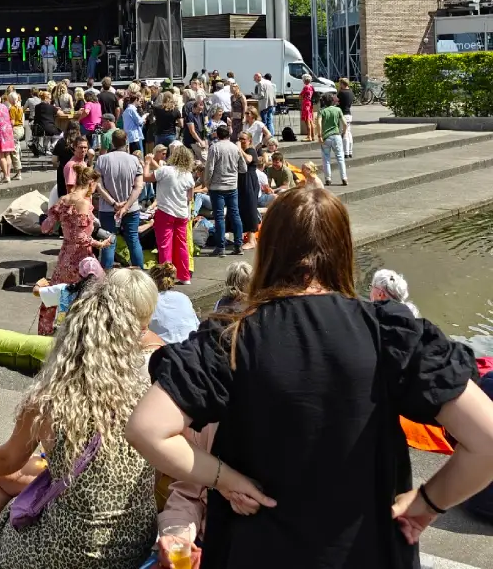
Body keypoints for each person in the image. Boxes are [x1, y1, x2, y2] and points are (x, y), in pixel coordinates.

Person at [126, 186, 493, 569]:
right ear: (343, 250)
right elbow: (487, 440)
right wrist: (428, 502)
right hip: (368, 553)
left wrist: (225, 479)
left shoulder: (231, 339)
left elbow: (146, 429)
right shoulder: (388, 333)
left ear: (269, 252)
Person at [0, 269, 160, 569]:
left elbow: (7, 459)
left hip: (72, 551)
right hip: (136, 540)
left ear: (70, 336)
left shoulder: (51, 397)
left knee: (8, 517)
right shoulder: (149, 390)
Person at [39, 164, 111, 335]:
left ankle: (45, 332)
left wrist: (57, 218)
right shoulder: (83, 204)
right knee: (89, 295)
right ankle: (84, 333)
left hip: (64, 256)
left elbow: (45, 228)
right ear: (91, 183)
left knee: (54, 295)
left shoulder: (63, 200)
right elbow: (80, 237)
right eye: (96, 186)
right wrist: (100, 244)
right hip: (81, 259)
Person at [95, 129, 145, 270]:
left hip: (107, 208)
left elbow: (98, 185)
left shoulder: (102, 160)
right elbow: (138, 186)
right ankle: (140, 274)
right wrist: (126, 206)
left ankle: (107, 276)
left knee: (109, 241)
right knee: (133, 240)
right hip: (131, 208)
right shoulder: (135, 160)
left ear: (112, 142)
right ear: (126, 142)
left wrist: (113, 203)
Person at [147, 142, 196, 284]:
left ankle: (165, 278)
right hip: (182, 214)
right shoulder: (188, 175)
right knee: (182, 245)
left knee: (165, 246)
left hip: (165, 211)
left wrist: (147, 162)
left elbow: (146, 177)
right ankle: (184, 276)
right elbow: (190, 197)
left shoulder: (165, 170)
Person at [204, 125, 244, 257]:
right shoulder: (234, 147)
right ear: (229, 134)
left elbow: (210, 167)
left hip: (217, 187)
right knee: (235, 215)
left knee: (219, 217)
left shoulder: (214, 147)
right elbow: (243, 167)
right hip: (232, 185)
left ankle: (220, 247)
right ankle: (238, 245)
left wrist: (207, 182)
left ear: (217, 134)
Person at [147, 261, 199, 344]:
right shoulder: (183, 297)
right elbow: (196, 324)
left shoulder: (149, 301)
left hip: (165, 347)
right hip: (192, 344)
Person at [236, 131, 261, 249]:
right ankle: (247, 238)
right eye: (239, 138)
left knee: (250, 208)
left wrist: (239, 149)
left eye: (243, 139)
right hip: (241, 181)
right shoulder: (241, 150)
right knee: (242, 208)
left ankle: (251, 239)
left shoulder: (251, 150)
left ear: (249, 140)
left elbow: (248, 160)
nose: (241, 141)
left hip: (249, 181)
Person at [317, 93, 348, 186]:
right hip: (337, 135)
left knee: (326, 158)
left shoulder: (322, 111)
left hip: (326, 137)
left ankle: (328, 179)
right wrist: (343, 132)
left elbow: (319, 123)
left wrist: (319, 136)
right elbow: (345, 123)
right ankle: (344, 178)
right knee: (340, 158)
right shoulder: (338, 110)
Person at [337, 78, 355, 158]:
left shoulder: (341, 92)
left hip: (343, 114)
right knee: (348, 132)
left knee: (344, 133)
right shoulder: (351, 92)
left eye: (340, 83)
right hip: (349, 114)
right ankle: (350, 151)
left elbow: (337, 102)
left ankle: (346, 152)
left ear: (342, 84)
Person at [300, 73, 317, 143]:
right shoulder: (312, 87)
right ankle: (313, 136)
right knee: (311, 120)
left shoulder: (306, 87)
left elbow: (301, 95)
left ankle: (309, 136)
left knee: (307, 120)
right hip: (310, 104)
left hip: (306, 104)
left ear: (305, 80)